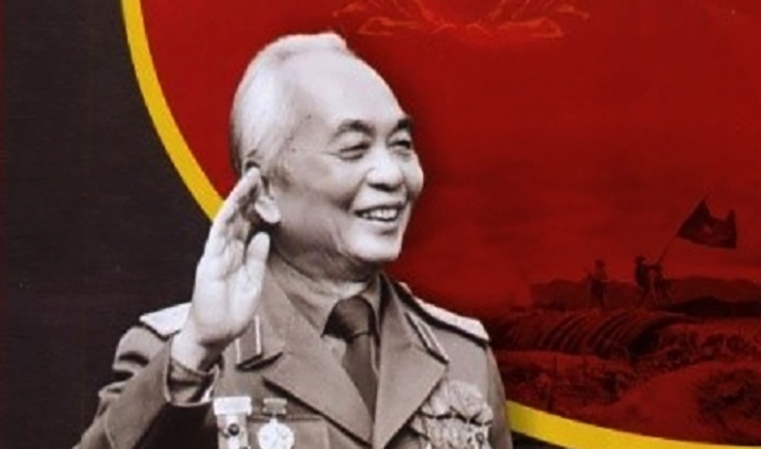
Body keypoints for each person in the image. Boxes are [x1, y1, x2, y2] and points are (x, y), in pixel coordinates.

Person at [75, 33, 512, 449]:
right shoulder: (183, 351)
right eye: (354, 149)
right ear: (264, 190)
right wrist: (195, 353)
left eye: (401, 144)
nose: (393, 175)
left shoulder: (462, 355)